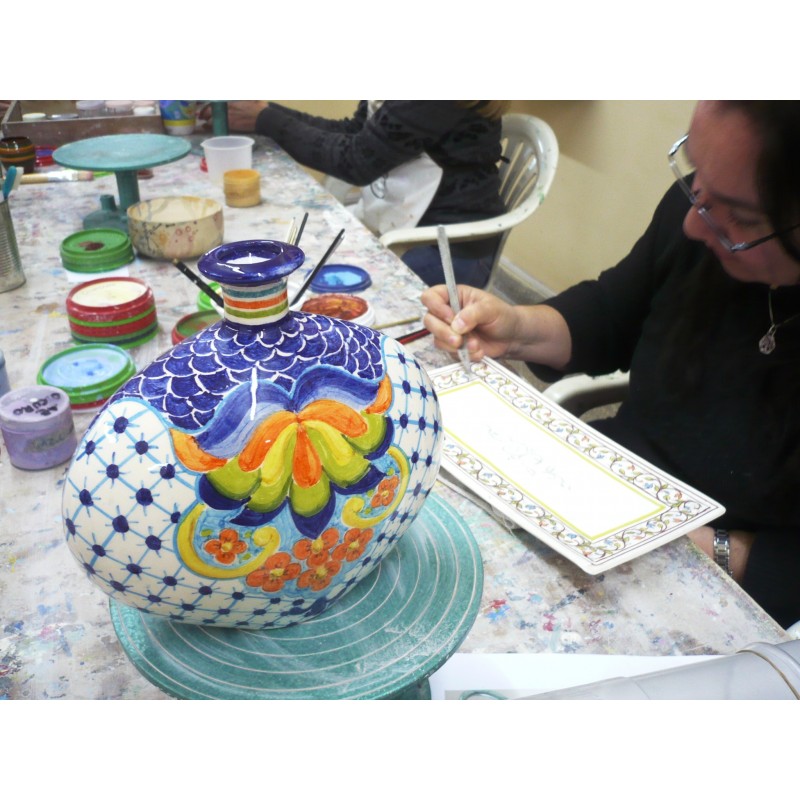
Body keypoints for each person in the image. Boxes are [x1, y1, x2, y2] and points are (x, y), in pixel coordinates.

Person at [422, 100, 800, 629]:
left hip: (718, 585)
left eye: (741, 217)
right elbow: (613, 313)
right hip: (600, 493)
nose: (693, 222)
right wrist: (516, 326)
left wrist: (700, 545)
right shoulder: (700, 208)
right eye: (693, 171)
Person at [213, 100, 510, 288]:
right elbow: (355, 133)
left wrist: (266, 119)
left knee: (319, 291)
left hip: (449, 247)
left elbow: (355, 161)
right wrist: (264, 112)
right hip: (401, 224)